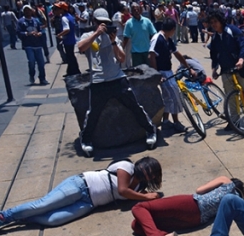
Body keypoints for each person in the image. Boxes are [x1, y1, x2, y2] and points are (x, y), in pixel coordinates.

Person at [0, 157, 162, 236]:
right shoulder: (126, 166)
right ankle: (3, 217)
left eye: (152, 174)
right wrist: (146, 197)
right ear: (142, 164)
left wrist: (146, 196)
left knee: (53, 220)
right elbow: (122, 191)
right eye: (148, 169)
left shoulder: (138, 187)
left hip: (90, 203)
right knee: (42, 205)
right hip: (80, 186)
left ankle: (21, 218)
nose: (148, 174)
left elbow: (132, 197)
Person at [77, 8, 157, 157]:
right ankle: (86, 140)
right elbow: (81, 47)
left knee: (134, 105)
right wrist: (96, 34)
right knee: (93, 112)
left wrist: (113, 42)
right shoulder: (88, 35)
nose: (103, 25)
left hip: (117, 78)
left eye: (105, 23)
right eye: (100, 23)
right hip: (98, 81)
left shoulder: (112, 37)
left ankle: (150, 130)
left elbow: (121, 58)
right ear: (94, 22)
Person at [132, 176, 244, 236]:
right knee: (136, 225)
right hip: (197, 220)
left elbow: (199, 190)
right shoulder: (236, 202)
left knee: (139, 207)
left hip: (192, 203)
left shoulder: (226, 181)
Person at [209, 10, 244, 133]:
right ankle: (234, 121)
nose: (214, 25)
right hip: (226, 70)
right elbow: (214, 54)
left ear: (221, 21)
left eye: (215, 21)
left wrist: (241, 59)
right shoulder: (215, 37)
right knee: (230, 97)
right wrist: (215, 68)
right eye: (212, 23)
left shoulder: (232, 30)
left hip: (241, 68)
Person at [149, 19, 193, 133]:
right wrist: (156, 75)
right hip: (162, 73)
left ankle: (166, 122)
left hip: (168, 71)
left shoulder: (167, 39)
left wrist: (188, 67)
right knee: (174, 97)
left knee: (168, 98)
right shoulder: (157, 38)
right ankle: (176, 122)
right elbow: (151, 56)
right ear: (173, 29)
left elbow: (176, 53)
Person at [18, 5, 48, 86]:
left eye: (29, 10)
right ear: (23, 12)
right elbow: (18, 32)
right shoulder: (21, 21)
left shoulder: (36, 20)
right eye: (26, 10)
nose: (28, 12)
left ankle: (42, 78)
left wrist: (39, 33)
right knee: (31, 61)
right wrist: (27, 33)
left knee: (41, 63)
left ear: (32, 11)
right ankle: (32, 75)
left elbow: (41, 29)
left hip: (37, 44)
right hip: (28, 45)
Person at [123, 2, 157, 67]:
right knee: (138, 74)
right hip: (136, 54)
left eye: (138, 9)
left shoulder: (147, 21)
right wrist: (121, 50)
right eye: (134, 10)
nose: (136, 11)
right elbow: (126, 38)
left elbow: (154, 35)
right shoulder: (129, 23)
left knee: (149, 73)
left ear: (140, 10)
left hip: (147, 51)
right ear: (131, 11)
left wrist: (154, 49)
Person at [54, 2, 80, 76]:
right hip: (71, 39)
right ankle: (71, 71)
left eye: (57, 9)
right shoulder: (70, 16)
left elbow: (67, 29)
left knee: (70, 56)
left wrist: (59, 35)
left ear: (62, 10)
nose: (55, 10)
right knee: (71, 56)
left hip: (68, 40)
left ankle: (74, 71)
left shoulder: (64, 18)